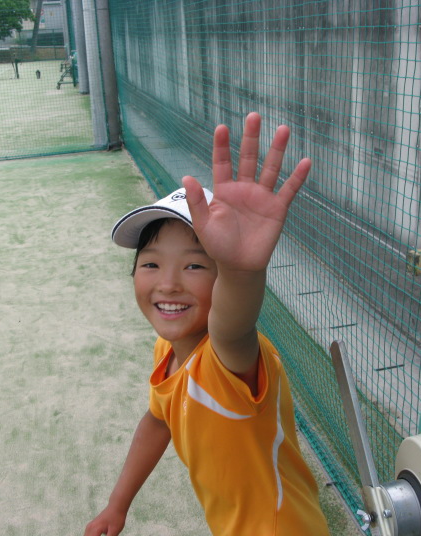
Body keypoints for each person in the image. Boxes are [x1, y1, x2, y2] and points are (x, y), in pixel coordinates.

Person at [84, 112, 330, 535]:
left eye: (195, 265)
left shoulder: (226, 358)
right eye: (151, 264)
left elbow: (233, 324)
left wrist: (241, 271)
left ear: (222, 278)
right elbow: (158, 420)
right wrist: (116, 505)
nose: (168, 284)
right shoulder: (167, 350)